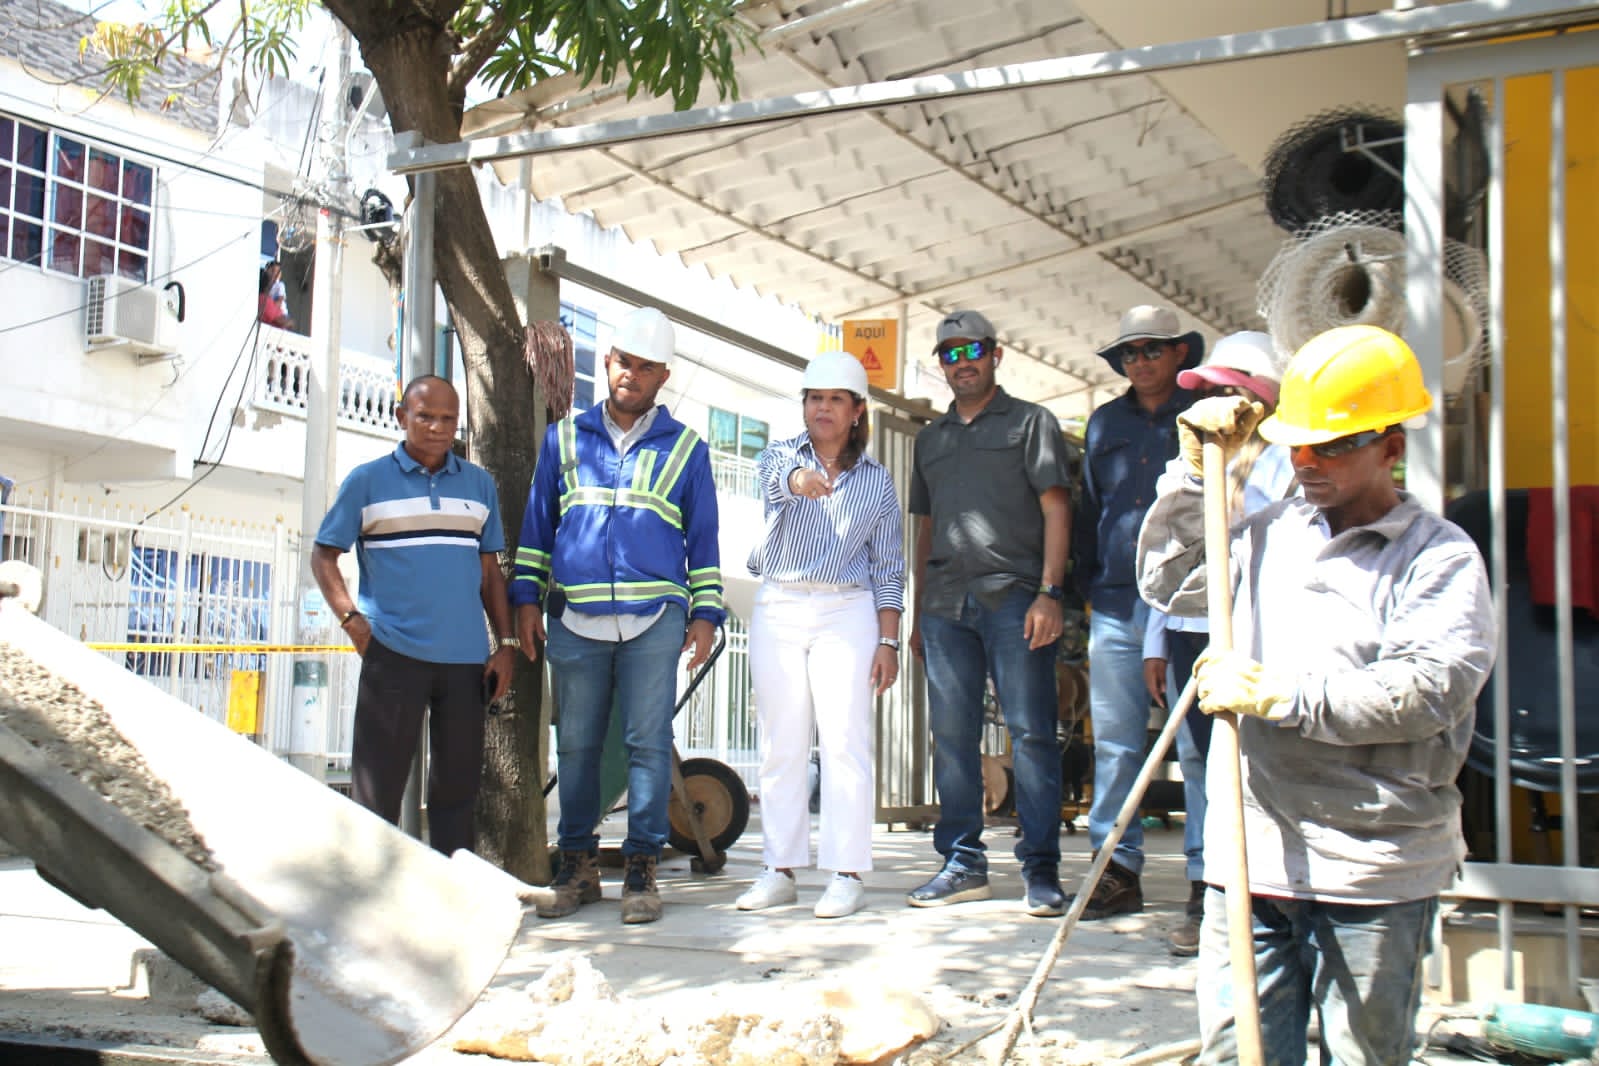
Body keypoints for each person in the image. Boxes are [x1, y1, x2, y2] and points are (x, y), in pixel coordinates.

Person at [1137, 324, 1496, 1065]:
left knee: (1359, 1054)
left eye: (1332, 446)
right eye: (1297, 443)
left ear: (1390, 446)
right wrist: (1196, 472)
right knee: (1240, 1054)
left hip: (1372, 861)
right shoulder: (1267, 534)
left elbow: (1428, 691)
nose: (1306, 462)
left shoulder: (1437, 556)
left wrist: (1281, 694)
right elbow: (1168, 584)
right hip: (1253, 854)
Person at [512, 306, 724, 926]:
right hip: (574, 617)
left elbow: (703, 542)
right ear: (607, 362)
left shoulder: (688, 449)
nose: (631, 374)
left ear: (663, 375)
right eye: (623, 361)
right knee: (574, 747)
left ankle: (641, 869)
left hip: (655, 617)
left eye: (645, 367)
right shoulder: (563, 439)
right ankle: (576, 866)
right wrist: (525, 600)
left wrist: (705, 615)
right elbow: (536, 531)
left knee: (647, 746)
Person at [905, 309, 1073, 916]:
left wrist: (1051, 594)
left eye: (971, 349)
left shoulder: (1033, 423)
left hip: (1017, 600)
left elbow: (1057, 509)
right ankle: (961, 864)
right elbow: (927, 528)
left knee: (1030, 735)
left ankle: (1041, 868)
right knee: (951, 737)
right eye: (949, 353)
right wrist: (919, 609)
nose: (961, 362)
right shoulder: (931, 439)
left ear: (995, 354)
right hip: (946, 607)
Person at [311, 375, 516, 856]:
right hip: (393, 654)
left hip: (466, 661)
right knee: (376, 792)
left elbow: (489, 573)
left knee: (456, 794)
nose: (437, 428)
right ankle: (368, 896)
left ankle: (449, 901)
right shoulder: (366, 481)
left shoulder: (478, 485)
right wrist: (353, 623)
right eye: (425, 416)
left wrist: (504, 647)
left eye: (448, 419)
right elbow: (323, 556)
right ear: (402, 417)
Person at [1140, 331, 1294, 956]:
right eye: (1206, 390)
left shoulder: (1291, 462)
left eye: (1230, 391)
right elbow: (1163, 560)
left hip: (1262, 635)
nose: (1216, 404)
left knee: (1258, 764)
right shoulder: (1189, 460)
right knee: (1204, 767)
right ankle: (1208, 892)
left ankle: (1269, 893)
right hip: (1190, 634)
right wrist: (1156, 638)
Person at [738, 350, 906, 920]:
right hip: (780, 604)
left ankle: (847, 872)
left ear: (858, 411)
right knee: (781, 743)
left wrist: (888, 640)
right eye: (815, 399)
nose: (823, 409)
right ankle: (778, 869)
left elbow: (888, 567)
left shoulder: (879, 483)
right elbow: (774, 478)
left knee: (844, 743)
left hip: (848, 611)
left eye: (836, 400)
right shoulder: (781, 455)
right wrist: (799, 480)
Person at [1070, 304, 1200, 919]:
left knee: (1200, 745)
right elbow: (1089, 509)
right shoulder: (1102, 424)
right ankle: (1116, 869)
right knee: (1117, 746)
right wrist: (1084, 589)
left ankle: (1211, 878)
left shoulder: (1206, 416)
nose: (1140, 361)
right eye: (1130, 353)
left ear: (1180, 353)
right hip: (1119, 602)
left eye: (1152, 349)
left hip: (1193, 605)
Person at [258, 260, 293, 329]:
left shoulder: (279, 285)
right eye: (273, 271)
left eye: (278, 272)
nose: (275, 273)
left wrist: (273, 308)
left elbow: (280, 299)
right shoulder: (265, 287)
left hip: (282, 312)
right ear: (267, 271)